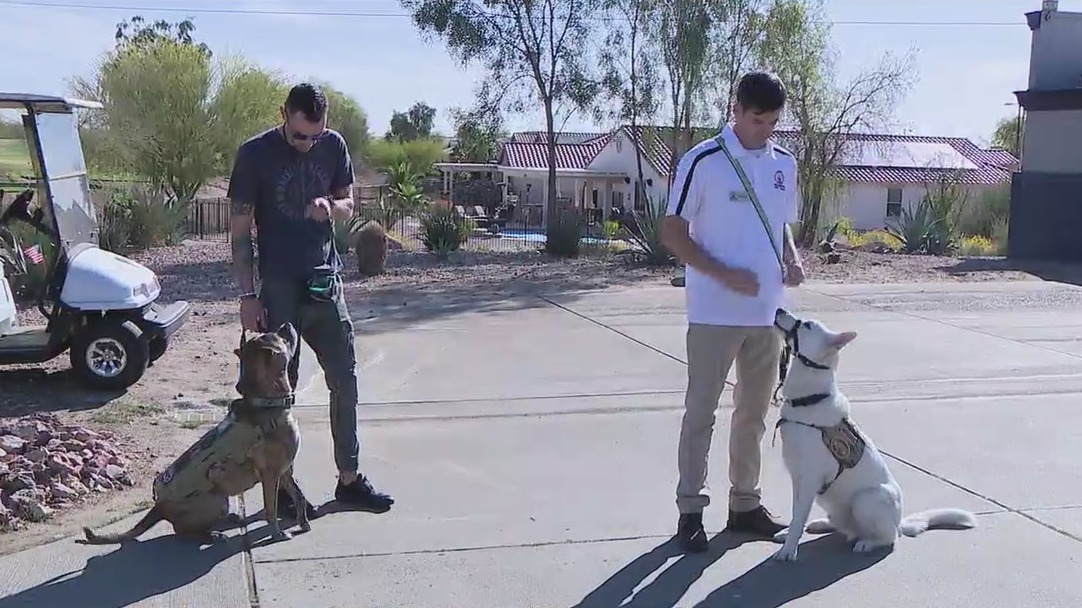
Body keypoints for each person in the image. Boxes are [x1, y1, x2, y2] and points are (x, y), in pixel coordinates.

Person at [226, 82, 394, 515]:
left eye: (315, 135)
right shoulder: (254, 154)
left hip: (324, 283)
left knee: (345, 378)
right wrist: (247, 294)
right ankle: (281, 487)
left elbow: (348, 203)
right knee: (281, 391)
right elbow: (241, 230)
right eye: (301, 135)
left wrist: (332, 208)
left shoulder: (332, 146)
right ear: (283, 114)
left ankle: (350, 479)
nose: (308, 144)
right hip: (279, 286)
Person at [660, 71, 806, 553]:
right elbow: (673, 233)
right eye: (758, 120)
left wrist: (791, 255)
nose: (766, 130)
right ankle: (690, 510)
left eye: (774, 122)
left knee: (755, 412)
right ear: (736, 111)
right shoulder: (702, 161)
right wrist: (725, 275)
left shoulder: (784, 163)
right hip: (713, 314)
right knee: (701, 412)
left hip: (767, 315)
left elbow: (780, 222)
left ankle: (745, 503)